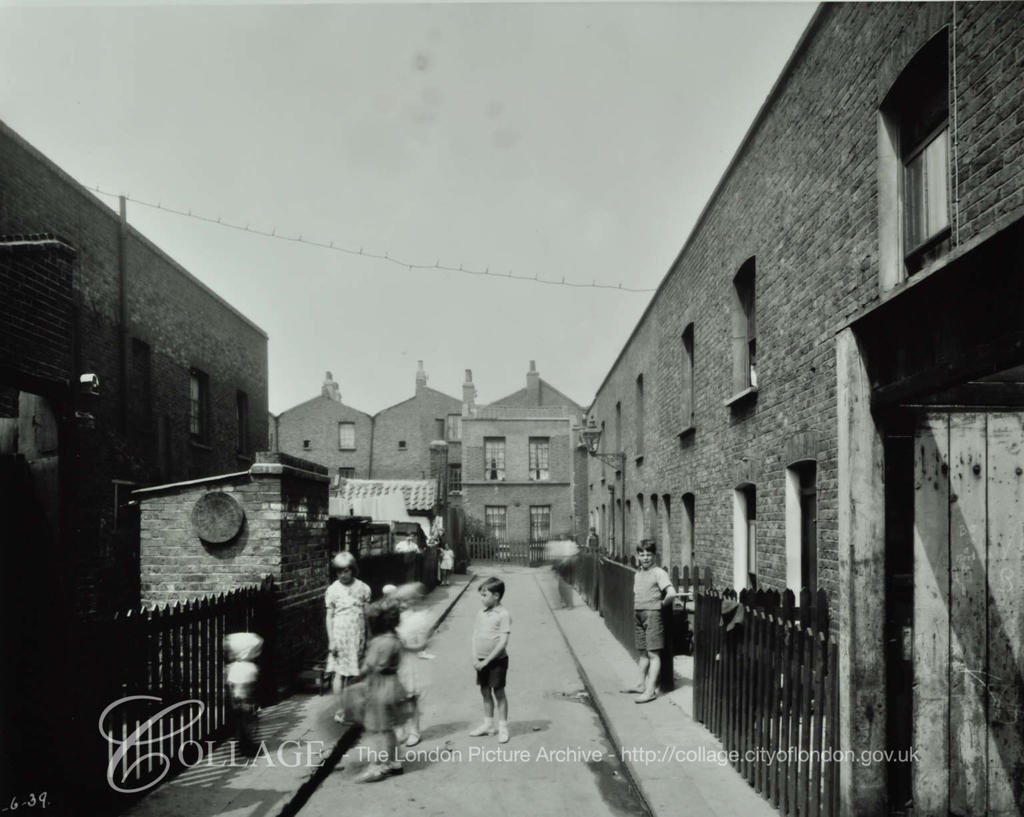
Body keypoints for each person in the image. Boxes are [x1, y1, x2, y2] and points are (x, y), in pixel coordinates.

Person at [348, 597, 412, 783]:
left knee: (377, 730)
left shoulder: (380, 643)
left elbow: (370, 667)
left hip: (379, 688)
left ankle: (378, 766)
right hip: (393, 686)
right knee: (387, 728)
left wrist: (355, 678)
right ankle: (394, 762)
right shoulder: (395, 639)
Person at [623, 539, 676, 704]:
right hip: (638, 614)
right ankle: (641, 684)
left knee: (653, 654)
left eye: (649, 554)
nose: (645, 558)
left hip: (653, 615)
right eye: (642, 554)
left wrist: (660, 605)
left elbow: (671, 593)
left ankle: (650, 690)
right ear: (638, 556)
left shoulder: (658, 572)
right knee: (642, 652)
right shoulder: (638, 573)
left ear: (654, 556)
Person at [325, 551, 371, 724]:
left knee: (354, 674)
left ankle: (353, 708)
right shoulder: (333, 590)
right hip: (340, 636)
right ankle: (340, 709)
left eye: (346, 571)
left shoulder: (363, 588)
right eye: (338, 571)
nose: (342, 575)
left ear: (353, 569)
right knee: (339, 673)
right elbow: (329, 616)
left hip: (358, 635)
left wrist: (369, 636)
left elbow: (367, 615)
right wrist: (331, 640)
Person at [384, 582, 431, 747]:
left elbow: (423, 644)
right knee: (397, 699)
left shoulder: (421, 618)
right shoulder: (398, 617)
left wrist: (405, 646)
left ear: (416, 600)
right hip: (396, 664)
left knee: (412, 699)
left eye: (407, 600)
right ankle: (400, 729)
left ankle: (415, 731)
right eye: (402, 601)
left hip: (410, 662)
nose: (403, 604)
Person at [469, 576, 512, 743]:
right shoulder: (480, 613)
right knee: (485, 691)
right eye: (481, 595)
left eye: (484, 595)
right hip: (479, 660)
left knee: (499, 692)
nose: (481, 598)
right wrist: (475, 657)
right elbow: (475, 635)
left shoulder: (503, 614)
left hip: (496, 661)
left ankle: (502, 727)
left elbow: (503, 642)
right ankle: (488, 724)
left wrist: (487, 661)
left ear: (496, 596)